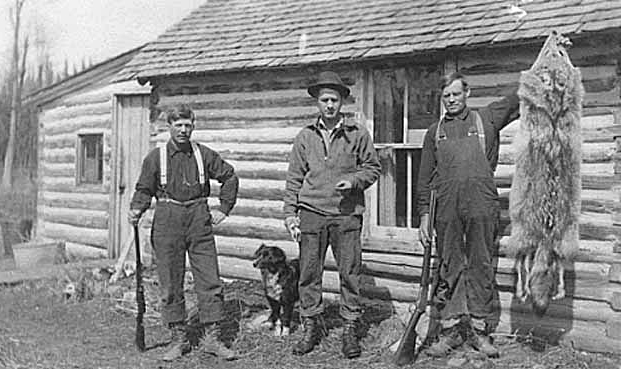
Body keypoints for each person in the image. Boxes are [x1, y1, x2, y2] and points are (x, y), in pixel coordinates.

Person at [417, 72, 519, 358]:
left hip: (481, 202)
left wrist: (547, 63)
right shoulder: (434, 131)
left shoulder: (486, 118)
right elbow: (424, 179)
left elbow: (517, 97)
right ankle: (450, 332)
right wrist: (424, 214)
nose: (451, 100)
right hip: (446, 206)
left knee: (481, 264)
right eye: (446, 96)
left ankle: (480, 332)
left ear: (467, 93)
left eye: (456, 94)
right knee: (449, 265)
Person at [128, 105, 239, 361]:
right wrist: (136, 209)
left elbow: (229, 177)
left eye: (187, 125)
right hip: (168, 219)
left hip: (199, 218)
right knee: (170, 281)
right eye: (178, 125)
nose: (183, 130)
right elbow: (144, 189)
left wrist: (223, 208)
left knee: (209, 278)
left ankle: (213, 339)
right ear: (169, 127)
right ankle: (179, 339)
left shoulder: (204, 155)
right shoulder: (156, 158)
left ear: (193, 126)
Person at [283, 71, 381, 359]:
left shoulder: (357, 133)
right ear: (317, 102)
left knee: (349, 273)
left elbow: (372, 168)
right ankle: (310, 326)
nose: (329, 105)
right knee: (309, 273)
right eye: (324, 100)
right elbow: (293, 179)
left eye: (334, 100)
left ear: (342, 102)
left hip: (346, 214)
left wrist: (354, 181)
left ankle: (350, 329)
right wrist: (291, 215)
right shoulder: (305, 137)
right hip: (311, 214)